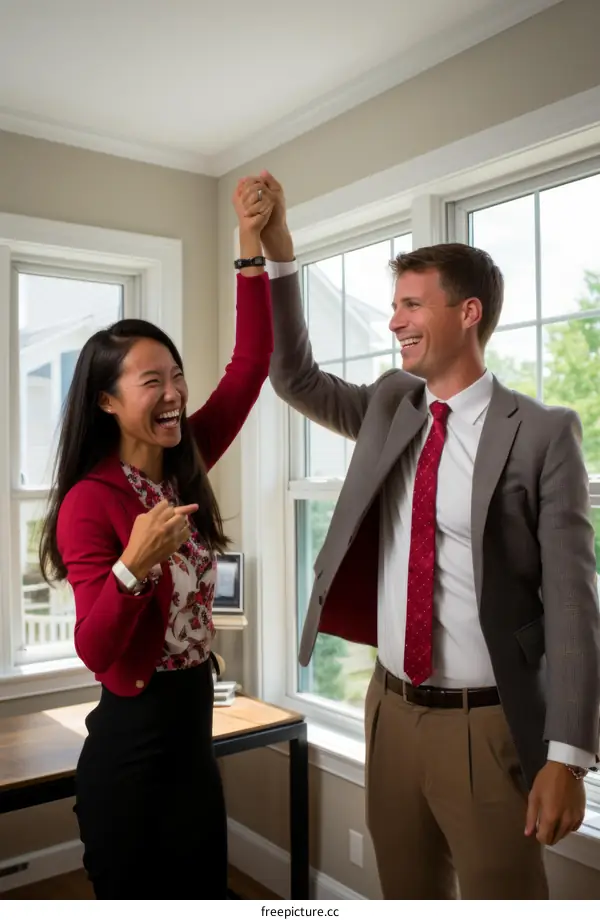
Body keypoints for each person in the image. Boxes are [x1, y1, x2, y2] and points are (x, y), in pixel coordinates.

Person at [237, 171, 600, 899]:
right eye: (394, 305)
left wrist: (567, 756)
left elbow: (572, 602)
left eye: (410, 304)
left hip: (487, 725)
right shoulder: (389, 405)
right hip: (390, 710)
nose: (395, 321)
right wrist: (276, 251)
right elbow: (293, 377)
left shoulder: (542, 433)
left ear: (468, 313)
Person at [39, 181, 275, 900]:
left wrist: (249, 245)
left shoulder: (186, 461)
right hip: (132, 751)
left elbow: (251, 366)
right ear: (107, 402)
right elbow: (96, 650)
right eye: (152, 381)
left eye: (176, 375)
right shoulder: (90, 502)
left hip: (191, 738)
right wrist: (132, 568)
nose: (173, 392)